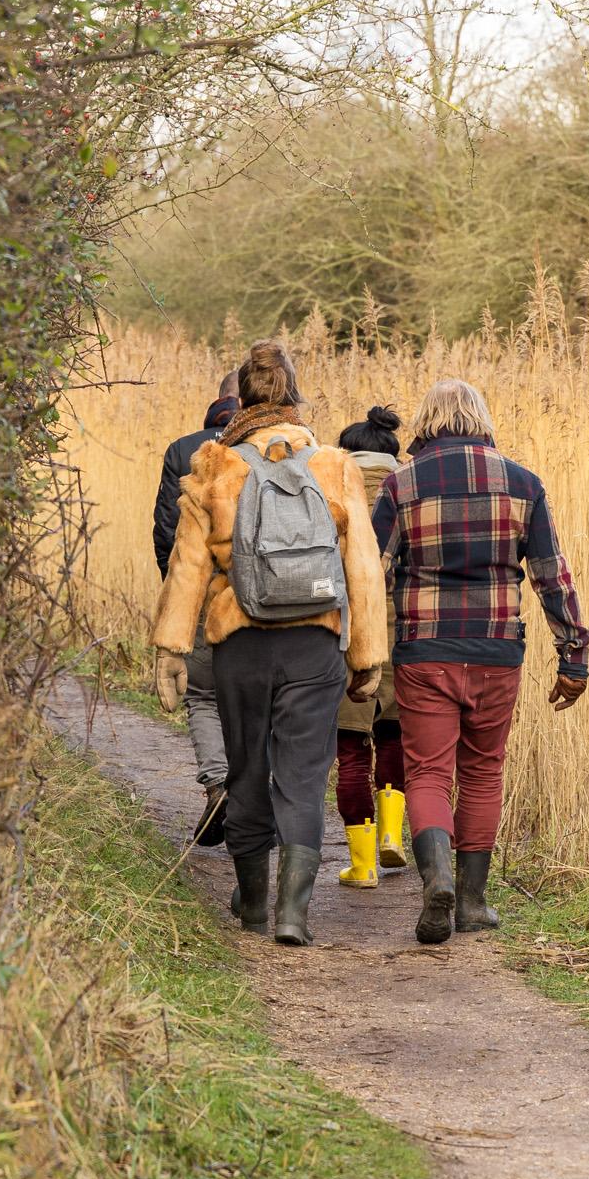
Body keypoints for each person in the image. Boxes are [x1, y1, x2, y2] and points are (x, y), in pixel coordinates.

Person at [150, 341, 388, 946]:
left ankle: (253, 906)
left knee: (247, 770)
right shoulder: (334, 465)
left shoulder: (213, 465)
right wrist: (368, 655)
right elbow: (362, 566)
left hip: (240, 645)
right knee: (304, 778)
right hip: (315, 642)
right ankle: (293, 915)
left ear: (243, 398)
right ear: (293, 394)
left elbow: (188, 567)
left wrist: (171, 648)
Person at [371, 378, 589, 944]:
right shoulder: (523, 484)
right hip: (497, 651)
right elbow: (551, 574)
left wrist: (361, 652)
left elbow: (371, 572)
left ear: (428, 421)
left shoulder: (401, 485)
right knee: (483, 771)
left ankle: (436, 877)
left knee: (426, 773)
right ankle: (470, 901)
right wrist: (573, 654)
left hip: (425, 650)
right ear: (481, 419)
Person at [153, 371, 240, 846]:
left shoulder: (184, 448)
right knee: (255, 700)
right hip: (257, 599)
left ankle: (216, 783)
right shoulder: (280, 447)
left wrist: (174, 596)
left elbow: (167, 527)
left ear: (218, 398)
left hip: (201, 593)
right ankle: (253, 798)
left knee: (203, 696)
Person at [332, 406, 408, 890]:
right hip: (403, 627)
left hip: (349, 630)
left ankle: (362, 868)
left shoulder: (332, 487)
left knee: (352, 748)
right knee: (395, 737)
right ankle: (393, 837)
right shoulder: (412, 488)